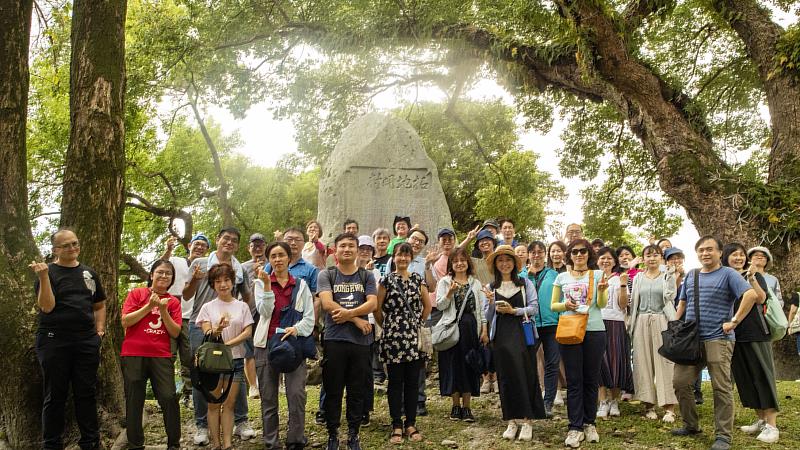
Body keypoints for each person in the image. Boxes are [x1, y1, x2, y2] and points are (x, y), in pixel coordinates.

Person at [670, 236, 760, 450]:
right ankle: (691, 425)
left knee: (721, 388)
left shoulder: (728, 274)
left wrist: (734, 321)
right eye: (701, 250)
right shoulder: (691, 276)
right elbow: (683, 302)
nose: (705, 253)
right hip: (690, 340)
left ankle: (723, 436)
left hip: (718, 339)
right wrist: (675, 323)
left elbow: (751, 295)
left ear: (720, 253)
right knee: (680, 382)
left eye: (710, 249)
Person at [31, 228, 106, 450]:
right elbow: (47, 306)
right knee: (55, 395)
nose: (72, 248)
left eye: (75, 243)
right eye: (66, 245)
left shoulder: (89, 274)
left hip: (86, 341)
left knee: (86, 393)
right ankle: (52, 444)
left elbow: (99, 304)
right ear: (55, 250)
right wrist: (44, 277)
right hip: (54, 340)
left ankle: (90, 443)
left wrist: (99, 331)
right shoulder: (49, 272)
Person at [183, 227, 256, 445]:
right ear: (217, 240)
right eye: (226, 238)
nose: (229, 242)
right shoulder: (200, 263)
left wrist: (244, 311)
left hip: (232, 325)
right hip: (201, 323)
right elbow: (186, 295)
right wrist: (195, 279)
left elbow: (246, 296)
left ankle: (241, 421)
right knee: (202, 373)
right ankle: (202, 425)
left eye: (234, 240)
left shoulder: (238, 268)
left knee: (235, 369)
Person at [317, 232, 378, 450]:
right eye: (342, 245)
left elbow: (372, 304)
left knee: (357, 390)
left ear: (356, 249)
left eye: (351, 246)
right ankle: (333, 434)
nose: (347, 249)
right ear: (335, 250)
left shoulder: (366, 276)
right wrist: (355, 319)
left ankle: (353, 434)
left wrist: (349, 316)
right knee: (333, 389)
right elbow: (326, 302)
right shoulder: (327, 274)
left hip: (361, 342)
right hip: (335, 339)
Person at [253, 241, 316, 450]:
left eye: (281, 255)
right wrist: (268, 287)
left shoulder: (301, 285)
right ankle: (271, 442)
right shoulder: (259, 283)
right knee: (268, 396)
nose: (277, 259)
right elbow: (264, 312)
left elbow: (309, 317)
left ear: (289, 258)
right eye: (273, 256)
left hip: (293, 345)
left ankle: (296, 439)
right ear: (269, 260)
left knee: (296, 394)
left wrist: (295, 329)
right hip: (265, 345)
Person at [551, 239, 609, 448]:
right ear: (569, 255)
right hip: (570, 330)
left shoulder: (598, 275)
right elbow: (553, 305)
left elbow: (601, 304)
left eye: (583, 251)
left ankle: (589, 423)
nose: (579, 255)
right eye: (574, 252)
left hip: (594, 330)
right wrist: (565, 304)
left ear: (589, 254)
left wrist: (602, 290)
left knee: (591, 379)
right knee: (574, 380)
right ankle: (574, 426)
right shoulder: (561, 277)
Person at [484, 245, 545, 441]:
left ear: (514, 263)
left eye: (508, 260)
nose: (504, 264)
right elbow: (487, 315)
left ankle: (527, 421)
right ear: (495, 264)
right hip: (500, 336)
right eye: (500, 260)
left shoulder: (525, 284)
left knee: (526, 374)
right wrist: (492, 304)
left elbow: (535, 308)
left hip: (522, 334)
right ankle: (510, 420)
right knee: (505, 377)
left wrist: (514, 311)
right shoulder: (491, 287)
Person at [120, 260, 182, 450]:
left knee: (169, 397)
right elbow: (126, 321)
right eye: (160, 272)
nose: (164, 276)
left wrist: (163, 310)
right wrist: (148, 306)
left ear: (172, 279)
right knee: (134, 400)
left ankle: (173, 444)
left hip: (161, 355)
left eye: (168, 274)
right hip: (133, 353)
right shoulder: (137, 293)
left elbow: (175, 332)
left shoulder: (173, 301)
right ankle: (135, 444)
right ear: (152, 274)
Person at [375, 243, 432, 444]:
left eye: (407, 255)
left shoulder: (418, 280)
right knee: (395, 383)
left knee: (412, 382)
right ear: (394, 256)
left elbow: (428, 306)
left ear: (411, 258)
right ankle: (396, 424)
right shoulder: (386, 280)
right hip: (392, 339)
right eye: (400, 255)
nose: (403, 259)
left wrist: (416, 322)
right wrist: (389, 325)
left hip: (413, 339)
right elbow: (377, 308)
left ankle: (411, 422)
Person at [196, 263, 254, 450]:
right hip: (212, 364)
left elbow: (247, 332)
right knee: (213, 404)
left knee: (229, 404)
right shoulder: (207, 307)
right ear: (212, 284)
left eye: (226, 280)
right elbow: (207, 332)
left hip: (235, 361)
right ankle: (216, 444)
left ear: (232, 282)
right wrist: (218, 330)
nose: (223, 284)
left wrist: (228, 344)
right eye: (218, 281)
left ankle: (228, 444)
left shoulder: (242, 306)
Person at [725, 245, 779, 443]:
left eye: (741, 254)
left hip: (756, 332)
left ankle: (772, 425)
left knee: (762, 376)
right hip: (733, 334)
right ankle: (761, 420)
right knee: (746, 379)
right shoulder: (723, 275)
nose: (739, 258)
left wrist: (752, 278)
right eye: (734, 254)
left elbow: (761, 298)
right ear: (726, 257)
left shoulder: (754, 275)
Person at [436, 247, 488, 422]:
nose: (459, 263)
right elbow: (440, 306)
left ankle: (467, 407)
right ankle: (455, 406)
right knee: (452, 366)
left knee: (468, 365)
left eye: (462, 260)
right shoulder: (444, 282)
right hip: (451, 329)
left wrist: (484, 330)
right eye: (455, 261)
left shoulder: (476, 283)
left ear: (468, 262)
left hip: (470, 329)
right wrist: (450, 293)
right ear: (451, 264)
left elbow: (481, 310)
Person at [627, 245, 678, 422]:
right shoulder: (638, 277)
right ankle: (648, 405)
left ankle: (669, 407)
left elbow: (671, 295)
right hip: (641, 321)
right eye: (648, 255)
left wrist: (671, 275)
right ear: (643, 258)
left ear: (661, 258)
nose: (652, 258)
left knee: (665, 362)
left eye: (656, 255)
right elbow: (633, 301)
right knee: (643, 361)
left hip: (661, 320)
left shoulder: (666, 275)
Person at [161, 233, 210, 406]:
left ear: (207, 250)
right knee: (168, 354)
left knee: (189, 356)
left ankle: (188, 393)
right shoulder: (176, 261)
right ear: (189, 245)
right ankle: (165, 394)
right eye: (197, 244)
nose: (199, 247)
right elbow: (160, 266)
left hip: (193, 315)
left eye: (203, 246)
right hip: (171, 313)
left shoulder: (206, 266)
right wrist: (168, 250)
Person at [596, 247, 634, 420]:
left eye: (609, 258)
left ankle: (615, 400)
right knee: (599, 363)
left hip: (616, 323)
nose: (605, 261)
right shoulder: (593, 277)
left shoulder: (620, 278)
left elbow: (623, 304)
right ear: (597, 261)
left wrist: (624, 285)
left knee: (616, 362)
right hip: (596, 323)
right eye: (602, 258)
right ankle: (602, 401)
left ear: (614, 261)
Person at [525, 240, 561, 417]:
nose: (536, 255)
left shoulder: (554, 274)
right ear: (528, 255)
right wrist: (529, 276)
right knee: (528, 361)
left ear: (544, 254)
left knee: (552, 363)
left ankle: (548, 403)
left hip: (552, 324)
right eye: (533, 252)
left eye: (540, 252)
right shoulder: (522, 275)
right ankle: (531, 400)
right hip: (530, 325)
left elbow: (560, 297)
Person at [242, 233, 267, 400]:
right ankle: (253, 386)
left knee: (270, 347)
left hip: (267, 310)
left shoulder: (273, 262)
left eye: (260, 245)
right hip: (248, 311)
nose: (257, 248)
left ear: (265, 246)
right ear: (248, 248)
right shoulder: (242, 267)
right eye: (254, 245)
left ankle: (275, 382)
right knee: (248, 350)